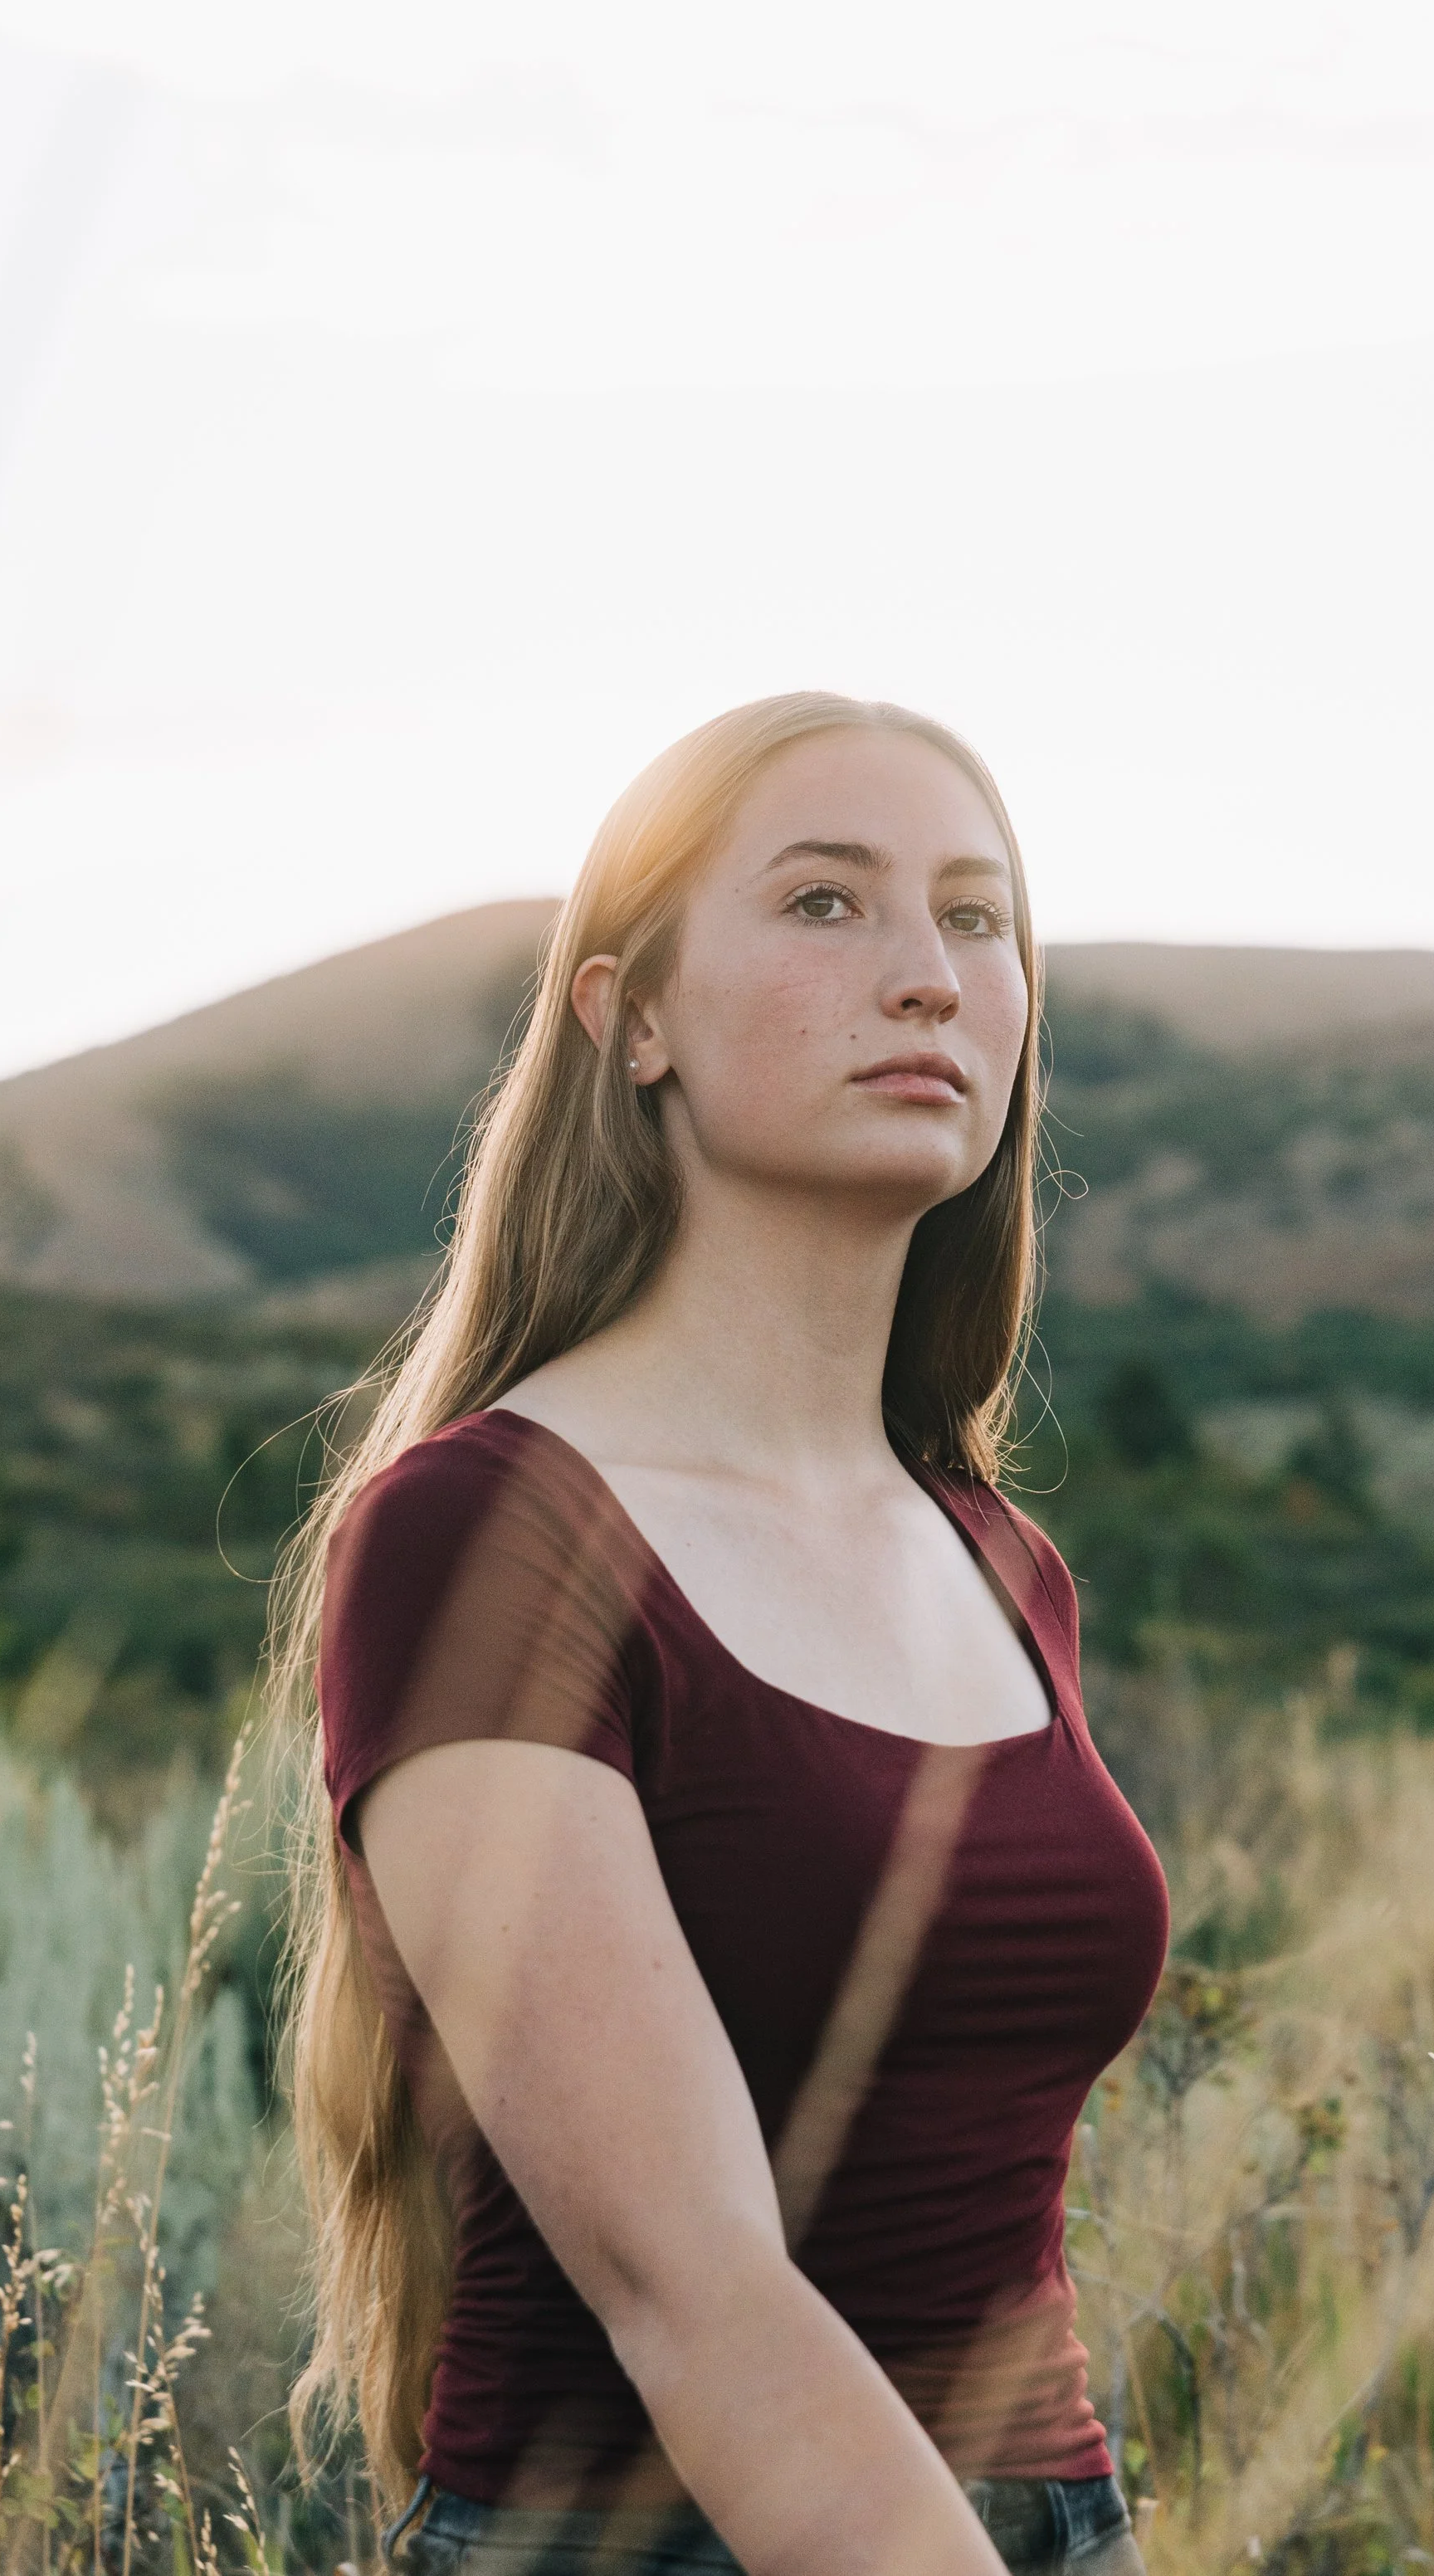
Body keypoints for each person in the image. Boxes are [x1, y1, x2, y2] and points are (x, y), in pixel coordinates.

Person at [269, 693, 1171, 2576]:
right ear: (634, 1017)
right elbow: (690, 2288)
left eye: (975, 918)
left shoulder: (997, 1559)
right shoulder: (486, 1537)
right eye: (827, 905)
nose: (925, 976)